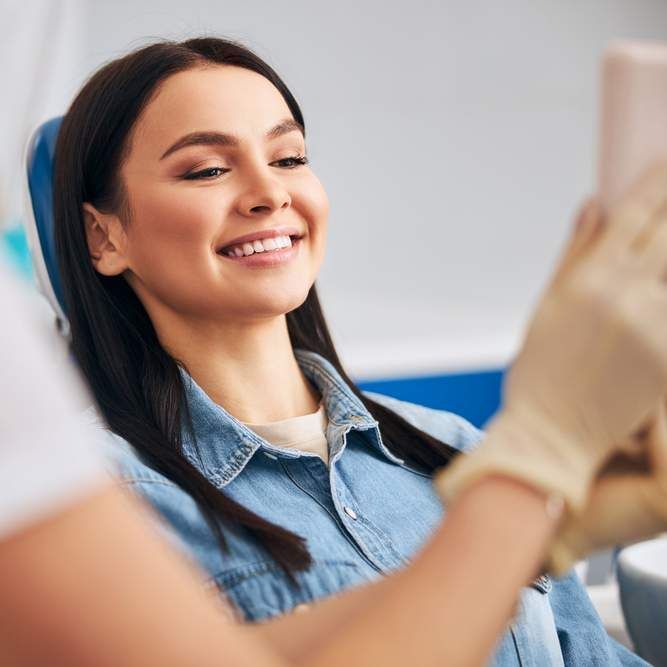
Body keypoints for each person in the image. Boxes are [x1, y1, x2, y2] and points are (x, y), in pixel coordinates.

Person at [50, 35, 667, 665]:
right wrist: (516, 504)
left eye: (289, 158)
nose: (269, 193)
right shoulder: (94, 508)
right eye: (207, 169)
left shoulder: (455, 451)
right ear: (104, 237)